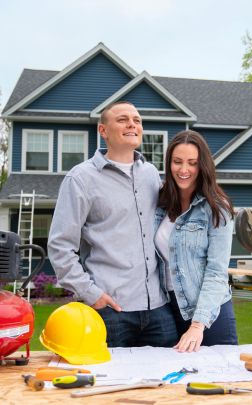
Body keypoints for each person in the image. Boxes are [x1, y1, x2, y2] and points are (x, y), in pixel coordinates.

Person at [48, 101, 178, 348]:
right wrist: (91, 294)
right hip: (109, 310)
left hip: (158, 309)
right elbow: (60, 246)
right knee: (110, 381)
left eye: (137, 120)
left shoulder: (150, 173)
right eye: (122, 119)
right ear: (103, 131)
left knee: (167, 384)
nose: (132, 124)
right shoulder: (81, 179)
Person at [155, 130, 238, 352]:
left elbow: (216, 271)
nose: (184, 170)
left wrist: (198, 324)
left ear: (203, 166)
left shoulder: (216, 208)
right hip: (169, 309)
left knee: (222, 379)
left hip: (210, 315)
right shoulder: (161, 202)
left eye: (192, 163)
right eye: (177, 162)